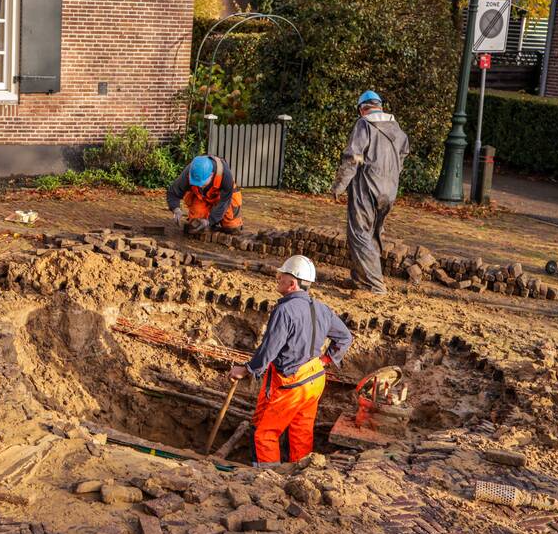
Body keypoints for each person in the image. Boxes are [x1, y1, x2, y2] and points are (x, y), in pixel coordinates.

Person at [229, 256, 353, 467]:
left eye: (282, 276)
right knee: (301, 431)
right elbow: (345, 337)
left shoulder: (284, 310)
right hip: (314, 378)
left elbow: (269, 349)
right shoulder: (321, 308)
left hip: (292, 383)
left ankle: (267, 478)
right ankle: (298, 473)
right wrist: (325, 359)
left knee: (265, 435)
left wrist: (246, 369)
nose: (278, 278)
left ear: (292, 282)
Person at [331, 91, 410, 295]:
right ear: (380, 106)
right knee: (374, 233)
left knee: (359, 234)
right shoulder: (397, 129)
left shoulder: (364, 124)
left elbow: (353, 157)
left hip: (366, 187)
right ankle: (360, 280)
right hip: (389, 190)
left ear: (361, 109)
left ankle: (374, 285)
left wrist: (340, 185)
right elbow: (402, 157)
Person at [167, 154, 243, 234]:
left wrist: (209, 221)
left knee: (231, 228)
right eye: (196, 183)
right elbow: (173, 192)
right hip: (201, 197)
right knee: (196, 224)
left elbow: (224, 202)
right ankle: (211, 225)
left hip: (223, 198)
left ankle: (223, 223)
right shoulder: (189, 172)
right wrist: (176, 209)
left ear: (211, 175)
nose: (199, 186)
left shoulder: (225, 175)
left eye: (202, 183)